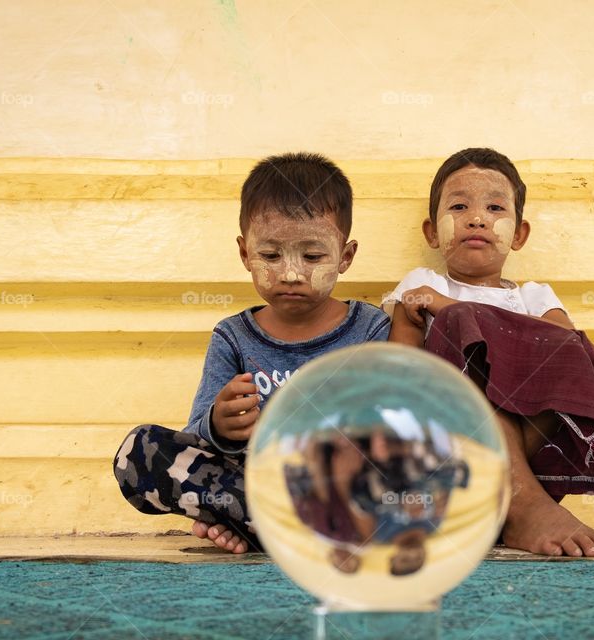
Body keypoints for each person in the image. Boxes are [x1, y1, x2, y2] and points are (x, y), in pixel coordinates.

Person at [385, 148, 594, 558]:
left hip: (532, 440)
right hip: (445, 438)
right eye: (459, 206)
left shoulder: (534, 296)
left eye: (495, 207)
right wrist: (451, 314)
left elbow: (562, 348)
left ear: (519, 235)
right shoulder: (424, 282)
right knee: (459, 329)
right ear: (432, 232)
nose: (477, 218)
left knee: (565, 348)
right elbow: (400, 370)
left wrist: (448, 309)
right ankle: (522, 505)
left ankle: (512, 498)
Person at [113, 152, 391, 553]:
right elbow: (196, 435)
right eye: (271, 255)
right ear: (245, 254)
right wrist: (220, 425)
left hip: (342, 489)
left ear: (345, 256)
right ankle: (258, 520)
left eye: (312, 256)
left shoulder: (371, 329)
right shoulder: (233, 336)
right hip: (261, 485)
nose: (291, 273)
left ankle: (248, 522)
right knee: (139, 451)